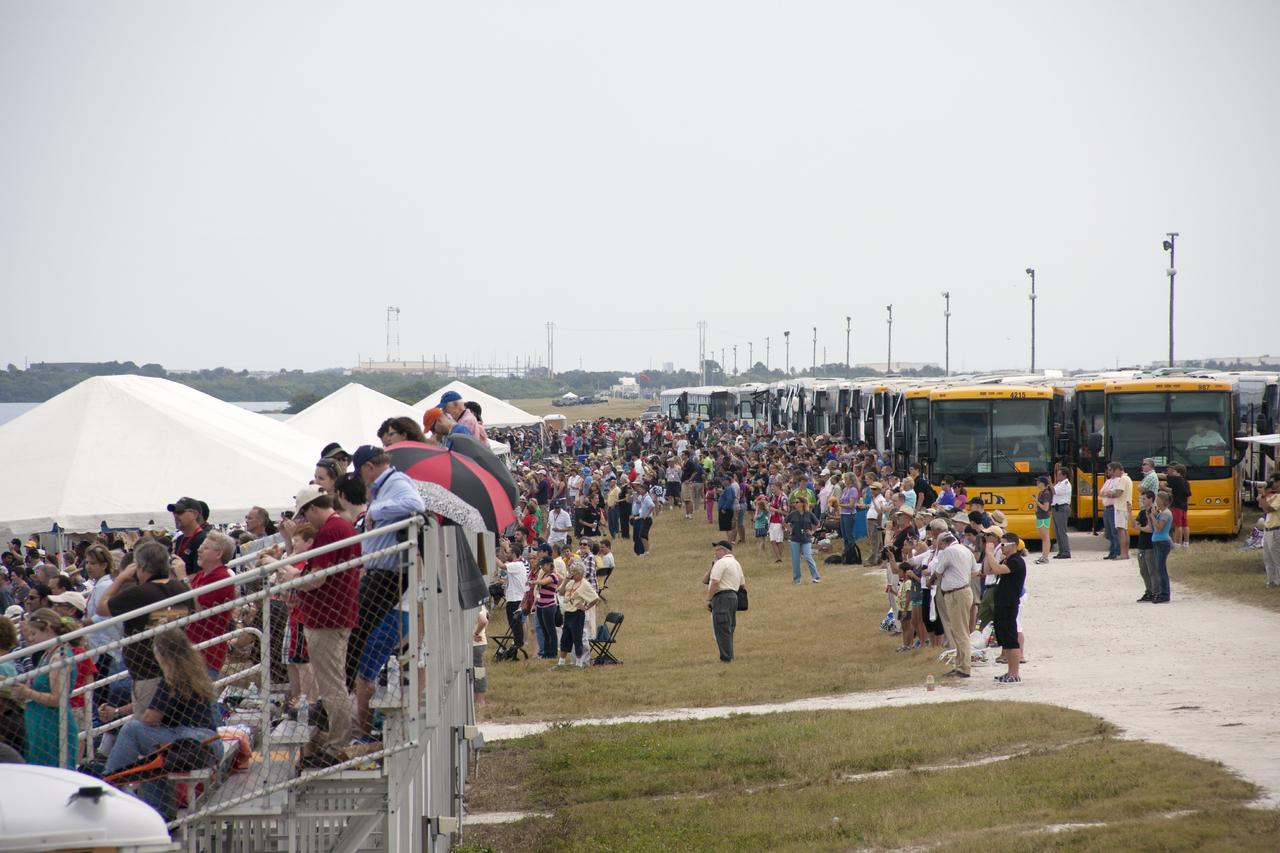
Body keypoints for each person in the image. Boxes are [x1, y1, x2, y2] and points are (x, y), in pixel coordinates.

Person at [279, 485, 361, 767]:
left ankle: (339, 742)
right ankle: (338, 739)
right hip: (334, 615)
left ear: (314, 508)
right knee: (332, 683)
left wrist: (290, 575)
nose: (304, 522)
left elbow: (316, 579)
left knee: (331, 685)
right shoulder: (342, 527)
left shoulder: (330, 530)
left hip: (328, 618)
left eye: (304, 515)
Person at [102, 630, 220, 821]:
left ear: (161, 653)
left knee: (132, 730)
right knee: (152, 755)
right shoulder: (193, 671)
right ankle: (160, 813)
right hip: (208, 742)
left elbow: (150, 718)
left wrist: (135, 716)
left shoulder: (172, 678)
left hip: (194, 744)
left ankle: (107, 783)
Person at [346, 445, 424, 695]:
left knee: (355, 627)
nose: (362, 481)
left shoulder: (396, 481)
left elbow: (416, 503)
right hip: (382, 569)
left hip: (388, 572)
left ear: (369, 467)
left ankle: (342, 690)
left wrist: (375, 511)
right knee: (356, 628)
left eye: (360, 474)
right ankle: (344, 687)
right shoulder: (386, 485)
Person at [98, 541, 192, 726]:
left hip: (147, 671)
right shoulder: (180, 588)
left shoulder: (138, 593)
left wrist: (120, 578)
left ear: (140, 567)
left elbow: (101, 608)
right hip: (173, 666)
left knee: (146, 729)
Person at [11, 608, 78, 767]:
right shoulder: (48, 655)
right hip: (40, 724)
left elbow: (57, 699)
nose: (31, 639)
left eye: (34, 634)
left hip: (52, 726)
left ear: (47, 630)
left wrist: (27, 692)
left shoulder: (58, 657)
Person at [187, 531, 236, 679]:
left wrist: (183, 576)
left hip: (206, 654)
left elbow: (197, 609)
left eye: (205, 548)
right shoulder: (202, 575)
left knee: (200, 699)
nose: (199, 550)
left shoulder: (221, 578)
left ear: (218, 554)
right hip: (192, 648)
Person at [930, 532, 976, 678]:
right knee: (958, 629)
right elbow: (975, 572)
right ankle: (960, 664)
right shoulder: (966, 550)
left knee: (959, 631)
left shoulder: (949, 551)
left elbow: (938, 572)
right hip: (965, 590)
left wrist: (934, 580)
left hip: (956, 593)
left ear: (944, 543)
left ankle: (964, 667)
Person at [983, 532, 1026, 683]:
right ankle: (1009, 672)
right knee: (1005, 639)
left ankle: (1014, 674)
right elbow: (989, 570)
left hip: (1009, 603)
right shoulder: (1006, 559)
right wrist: (989, 555)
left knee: (1011, 638)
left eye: (1003, 544)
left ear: (1013, 545)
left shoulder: (1016, 561)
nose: (1001, 547)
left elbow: (997, 570)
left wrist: (989, 552)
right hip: (1001, 602)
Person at [703, 541, 743, 663]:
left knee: (721, 627)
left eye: (718, 550)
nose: (715, 552)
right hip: (733, 596)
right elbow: (743, 584)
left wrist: (709, 598)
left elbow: (715, 582)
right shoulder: (736, 564)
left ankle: (726, 657)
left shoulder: (722, 563)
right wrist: (712, 566)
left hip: (722, 597)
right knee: (729, 627)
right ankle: (729, 654)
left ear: (725, 550)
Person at [555, 561, 598, 668]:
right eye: (571, 571)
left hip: (577, 614)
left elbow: (596, 598)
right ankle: (561, 663)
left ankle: (579, 663)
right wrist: (566, 580)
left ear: (580, 573)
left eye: (574, 572)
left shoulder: (585, 584)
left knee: (577, 638)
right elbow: (560, 593)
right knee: (565, 638)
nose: (572, 573)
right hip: (568, 613)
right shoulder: (571, 582)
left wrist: (586, 607)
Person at [167, 496, 210, 579]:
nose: (175, 515)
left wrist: (179, 579)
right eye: (174, 512)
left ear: (195, 514)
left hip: (193, 590)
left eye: (179, 512)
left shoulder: (204, 540)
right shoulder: (180, 539)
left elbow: (202, 575)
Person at [785, 496, 822, 584]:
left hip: (806, 539)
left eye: (797, 502)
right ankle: (797, 579)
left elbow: (817, 523)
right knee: (796, 559)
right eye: (795, 502)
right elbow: (785, 522)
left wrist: (812, 531)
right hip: (795, 538)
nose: (795, 504)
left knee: (808, 556)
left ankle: (816, 577)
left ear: (802, 504)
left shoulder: (809, 514)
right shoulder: (793, 513)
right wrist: (790, 529)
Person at [1149, 491, 1174, 604]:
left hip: (1162, 542)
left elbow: (1159, 527)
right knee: (1158, 568)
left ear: (1163, 501)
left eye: (1158, 499)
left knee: (1161, 568)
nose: (1156, 501)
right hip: (1157, 541)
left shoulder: (1166, 513)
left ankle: (1165, 594)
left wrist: (1153, 517)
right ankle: (1161, 592)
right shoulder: (1161, 512)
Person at [1135, 491, 1157, 602]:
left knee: (1152, 569)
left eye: (1144, 499)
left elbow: (1150, 529)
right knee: (1143, 570)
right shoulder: (1142, 512)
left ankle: (1155, 591)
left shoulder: (1155, 511)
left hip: (1151, 545)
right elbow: (1135, 525)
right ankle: (1148, 591)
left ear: (1151, 499)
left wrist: (1141, 528)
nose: (1142, 501)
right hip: (1141, 544)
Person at [1260, 474, 1280, 588]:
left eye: (1275, 482)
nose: (1273, 484)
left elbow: (1268, 509)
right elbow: (1262, 506)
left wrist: (1264, 496)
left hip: (1276, 530)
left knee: (1277, 558)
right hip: (1267, 530)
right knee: (1267, 558)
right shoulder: (1273, 496)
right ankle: (1272, 581)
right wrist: (1263, 495)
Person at [1166, 464, 1192, 547]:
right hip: (1184, 506)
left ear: (1178, 472)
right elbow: (1188, 494)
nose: (1172, 473)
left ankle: (1177, 543)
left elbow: (1166, 478)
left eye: (1174, 471)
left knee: (1177, 525)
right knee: (1185, 525)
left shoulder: (1175, 479)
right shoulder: (1186, 481)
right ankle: (1186, 543)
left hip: (1176, 505)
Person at [1050, 467, 1072, 559]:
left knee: (1062, 531)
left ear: (1064, 475)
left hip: (1062, 507)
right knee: (1057, 531)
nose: (1057, 476)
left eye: (1059, 474)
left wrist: (1049, 483)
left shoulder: (1065, 483)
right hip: (1056, 508)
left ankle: (1066, 552)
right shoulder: (1059, 483)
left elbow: (1054, 492)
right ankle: (1061, 551)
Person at [1033, 476, 1052, 564]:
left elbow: (1045, 508)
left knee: (1046, 538)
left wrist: (1036, 501)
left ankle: (1045, 557)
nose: (1037, 483)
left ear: (1042, 483)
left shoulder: (1046, 493)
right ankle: (1043, 556)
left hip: (1044, 518)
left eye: (1038, 482)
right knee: (1044, 538)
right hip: (1040, 517)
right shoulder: (1041, 492)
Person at [631, 486, 655, 556]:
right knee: (642, 535)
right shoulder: (643, 497)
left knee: (643, 535)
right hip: (642, 518)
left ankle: (646, 551)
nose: (639, 490)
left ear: (644, 490)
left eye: (640, 489)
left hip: (647, 519)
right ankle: (646, 551)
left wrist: (646, 515)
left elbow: (652, 506)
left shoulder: (647, 498)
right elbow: (637, 501)